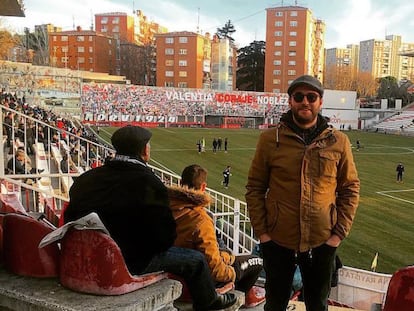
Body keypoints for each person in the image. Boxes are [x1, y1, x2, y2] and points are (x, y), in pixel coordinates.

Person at [63, 126, 237, 311]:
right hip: (131, 261)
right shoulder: (150, 184)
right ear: (145, 151)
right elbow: (164, 238)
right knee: (197, 260)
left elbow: (70, 216)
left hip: (86, 255)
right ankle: (208, 302)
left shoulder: (86, 178)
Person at [245, 75, 360, 311]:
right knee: (275, 304)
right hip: (278, 240)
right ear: (290, 101)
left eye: (311, 97)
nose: (305, 102)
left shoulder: (339, 141)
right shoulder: (270, 139)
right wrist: (263, 234)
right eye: (299, 97)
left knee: (317, 305)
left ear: (320, 102)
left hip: (322, 240)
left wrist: (337, 236)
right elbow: (255, 187)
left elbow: (350, 189)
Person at [167, 164, 265, 308]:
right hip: (198, 280)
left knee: (227, 253)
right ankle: (238, 298)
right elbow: (214, 269)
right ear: (203, 187)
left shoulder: (165, 206)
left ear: (181, 183)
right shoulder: (201, 219)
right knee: (256, 262)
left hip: (174, 272)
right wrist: (232, 274)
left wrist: (226, 257)